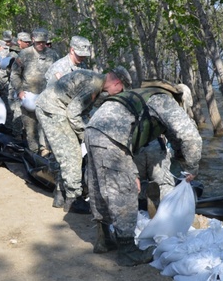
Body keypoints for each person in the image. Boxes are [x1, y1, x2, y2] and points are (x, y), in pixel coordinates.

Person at [84, 83, 202, 265]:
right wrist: (193, 167)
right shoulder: (165, 101)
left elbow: (173, 136)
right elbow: (190, 136)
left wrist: (181, 159)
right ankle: (127, 251)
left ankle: (104, 239)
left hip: (93, 129)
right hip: (112, 136)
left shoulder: (146, 96)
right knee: (124, 191)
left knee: (100, 185)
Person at [37, 68, 130, 212]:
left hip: (51, 106)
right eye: (121, 90)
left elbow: (83, 110)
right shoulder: (93, 84)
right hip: (53, 109)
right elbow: (73, 114)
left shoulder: (96, 82)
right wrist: (86, 136)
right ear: (117, 83)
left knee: (61, 153)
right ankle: (74, 199)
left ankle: (60, 195)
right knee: (72, 154)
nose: (119, 93)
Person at [10, 28, 57, 154]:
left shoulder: (53, 55)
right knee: (31, 130)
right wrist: (20, 90)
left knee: (46, 128)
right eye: (38, 42)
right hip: (29, 96)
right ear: (33, 40)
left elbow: (58, 74)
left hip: (47, 97)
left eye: (43, 42)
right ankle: (34, 156)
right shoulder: (24, 54)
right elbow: (14, 74)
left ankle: (45, 155)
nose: (41, 44)